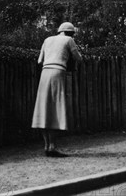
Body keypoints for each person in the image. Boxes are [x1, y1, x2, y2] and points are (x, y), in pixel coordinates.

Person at [32, 22, 82, 156]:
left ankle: (47, 146)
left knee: (44, 108)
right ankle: (53, 146)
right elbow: (79, 58)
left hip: (45, 73)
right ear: (70, 33)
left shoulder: (47, 39)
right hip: (58, 72)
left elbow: (39, 61)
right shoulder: (69, 40)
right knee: (55, 108)